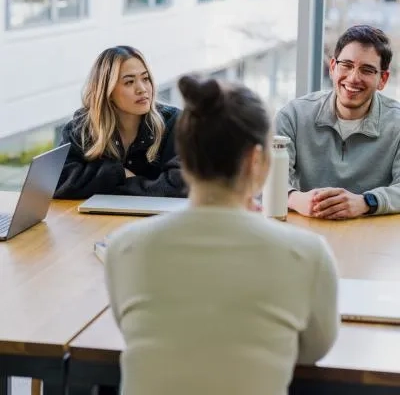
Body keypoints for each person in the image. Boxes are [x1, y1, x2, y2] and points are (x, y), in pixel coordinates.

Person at [105, 75, 339, 395]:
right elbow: (313, 351)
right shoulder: (307, 253)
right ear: (256, 160)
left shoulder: (124, 246)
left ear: (184, 158)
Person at [276, 25, 400, 219]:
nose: (353, 78)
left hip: (374, 238)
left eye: (367, 70)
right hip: (306, 230)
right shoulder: (293, 116)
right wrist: (295, 199)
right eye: (346, 65)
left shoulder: (397, 123)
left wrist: (366, 202)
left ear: (382, 79)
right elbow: (266, 180)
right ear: (333, 67)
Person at [54, 46, 186, 199]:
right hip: (98, 221)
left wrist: (108, 185)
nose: (142, 89)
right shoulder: (82, 127)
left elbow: (181, 186)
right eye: (129, 82)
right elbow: (59, 182)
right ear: (107, 91)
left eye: (145, 78)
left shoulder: (176, 123)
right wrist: (118, 173)